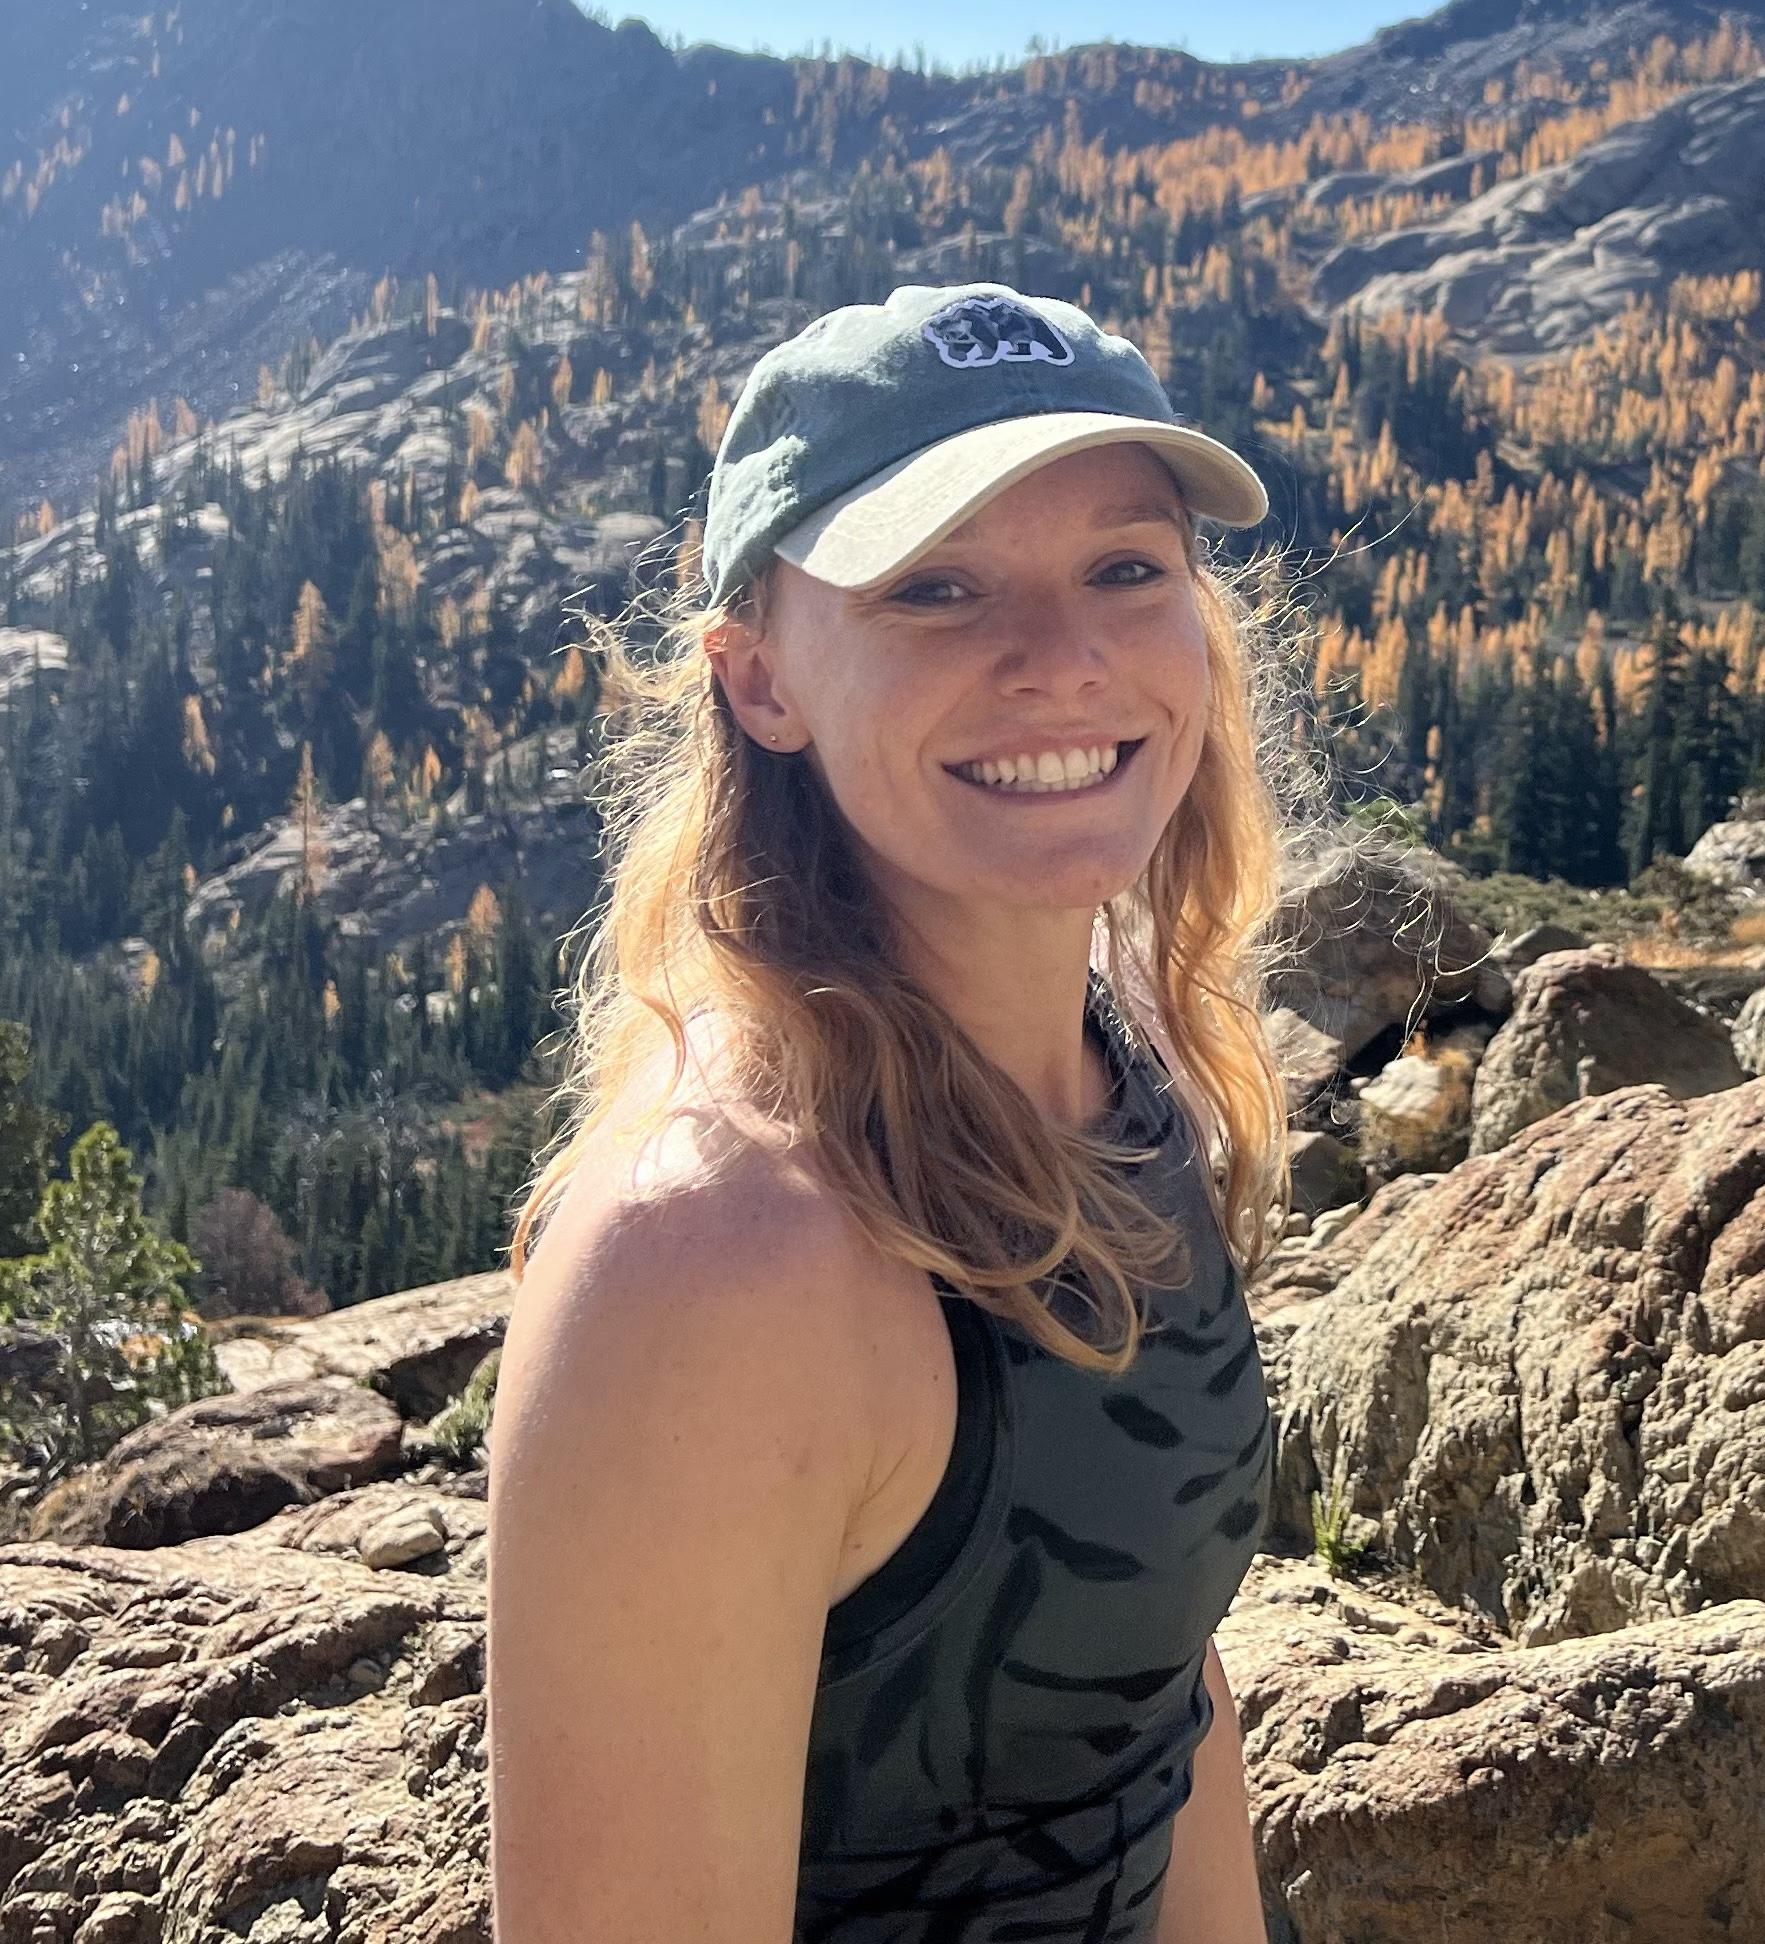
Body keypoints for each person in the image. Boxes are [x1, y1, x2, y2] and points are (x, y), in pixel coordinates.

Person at [486, 280, 1314, 1942]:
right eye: (936, 587)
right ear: (759, 681)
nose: (1064, 660)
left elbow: (1159, 1686)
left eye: (1127, 568)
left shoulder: (1115, 1066)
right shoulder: (721, 1261)